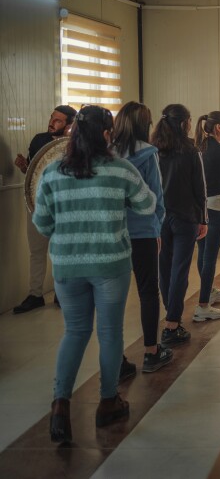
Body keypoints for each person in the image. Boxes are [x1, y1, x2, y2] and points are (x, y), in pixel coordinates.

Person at [33, 105, 156, 444]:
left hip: (67, 267)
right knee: (109, 333)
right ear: (106, 135)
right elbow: (147, 205)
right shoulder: (121, 170)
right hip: (109, 265)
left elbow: (41, 223)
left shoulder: (53, 173)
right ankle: (107, 402)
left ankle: (60, 405)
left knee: (74, 332)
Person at [111, 102, 173, 375]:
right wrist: (155, 228)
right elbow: (156, 198)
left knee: (112, 297)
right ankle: (151, 352)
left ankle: (118, 359)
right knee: (148, 291)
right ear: (144, 125)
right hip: (143, 233)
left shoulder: (107, 154)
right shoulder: (149, 155)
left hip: (113, 233)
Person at [151, 104, 207, 346]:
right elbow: (199, 188)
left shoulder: (153, 150)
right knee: (180, 271)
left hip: (160, 218)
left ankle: (170, 314)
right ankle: (172, 324)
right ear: (184, 123)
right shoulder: (190, 150)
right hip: (185, 218)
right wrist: (203, 219)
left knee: (164, 269)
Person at [13, 104, 77, 314]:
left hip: (64, 207)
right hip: (37, 203)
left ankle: (62, 293)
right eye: (52, 118)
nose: (52, 122)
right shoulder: (38, 140)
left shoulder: (75, 144)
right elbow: (35, 171)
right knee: (37, 251)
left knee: (61, 252)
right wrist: (24, 166)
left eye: (58, 120)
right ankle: (35, 294)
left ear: (69, 125)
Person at [193, 111, 220, 322]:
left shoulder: (197, 148)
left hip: (197, 207)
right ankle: (203, 305)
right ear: (218, 127)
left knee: (202, 252)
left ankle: (207, 291)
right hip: (216, 205)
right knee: (210, 256)